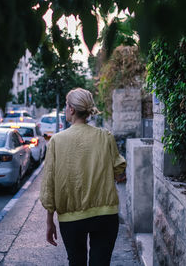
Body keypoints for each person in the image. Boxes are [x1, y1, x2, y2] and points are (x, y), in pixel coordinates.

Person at [40, 88, 126, 266]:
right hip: (105, 216)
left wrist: (50, 222)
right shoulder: (105, 136)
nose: (65, 109)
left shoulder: (56, 141)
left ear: (71, 109)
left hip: (71, 219)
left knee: (76, 261)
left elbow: (49, 185)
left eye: (66, 106)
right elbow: (119, 169)